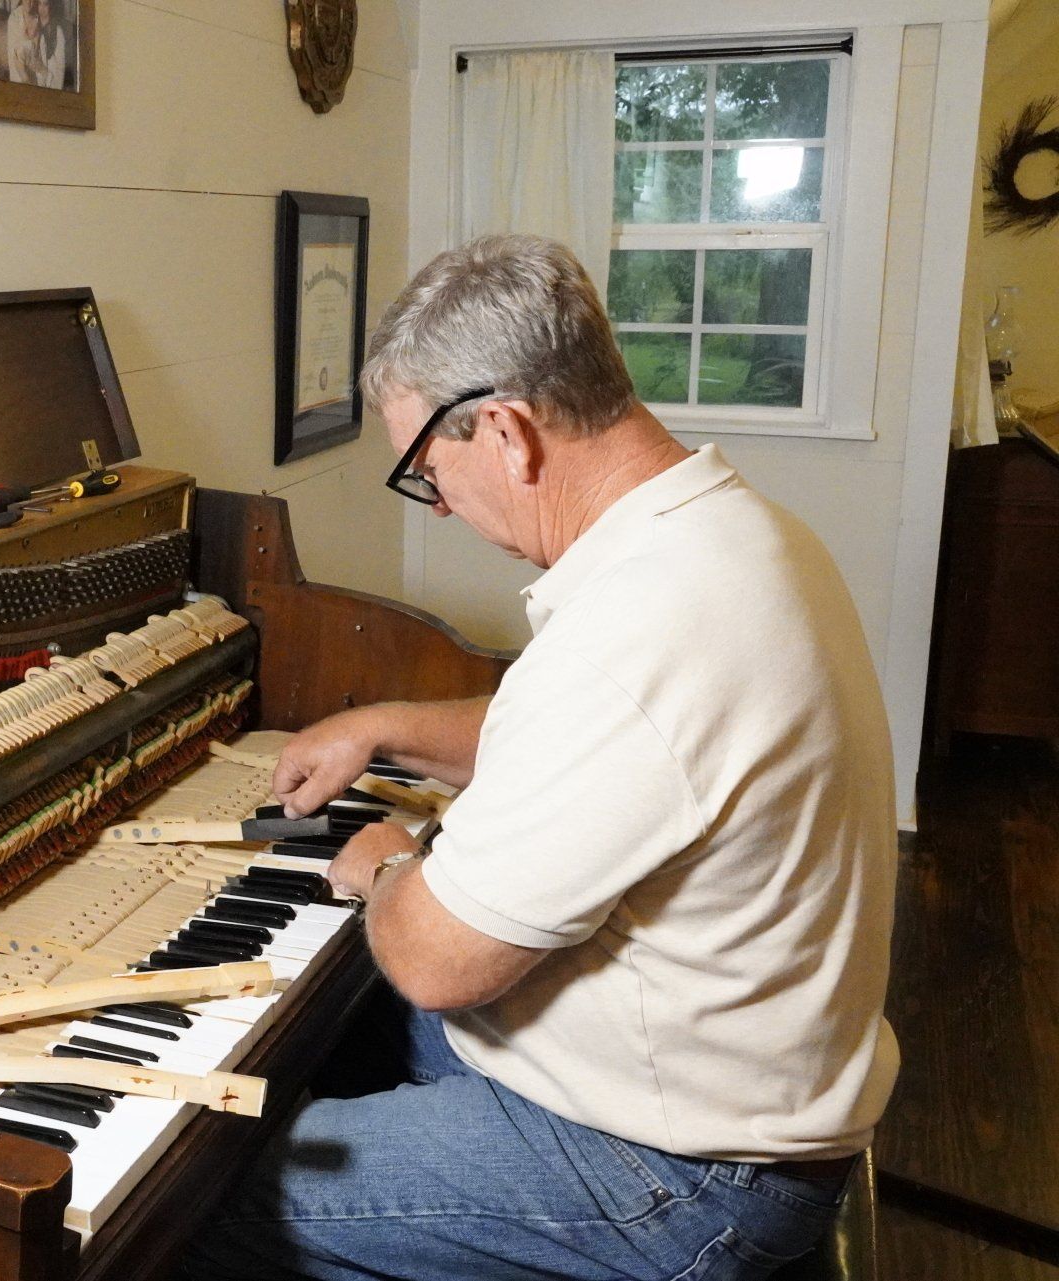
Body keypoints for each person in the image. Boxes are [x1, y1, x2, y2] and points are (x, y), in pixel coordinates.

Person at [182, 234, 899, 1281]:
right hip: (720, 1092)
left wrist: (386, 863)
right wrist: (380, 723)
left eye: (431, 474)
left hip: (681, 1177)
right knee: (315, 1034)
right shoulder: (731, 536)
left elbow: (435, 958)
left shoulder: (640, 628)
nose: (444, 509)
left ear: (509, 433)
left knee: (198, 1196)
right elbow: (588, 744)